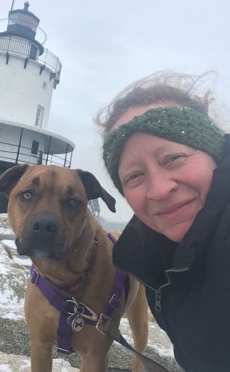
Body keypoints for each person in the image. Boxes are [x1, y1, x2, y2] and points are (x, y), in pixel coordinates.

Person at [96, 72, 230, 372]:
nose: (159, 189)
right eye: (134, 176)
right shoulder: (161, 261)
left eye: (173, 158)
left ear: (214, 154)